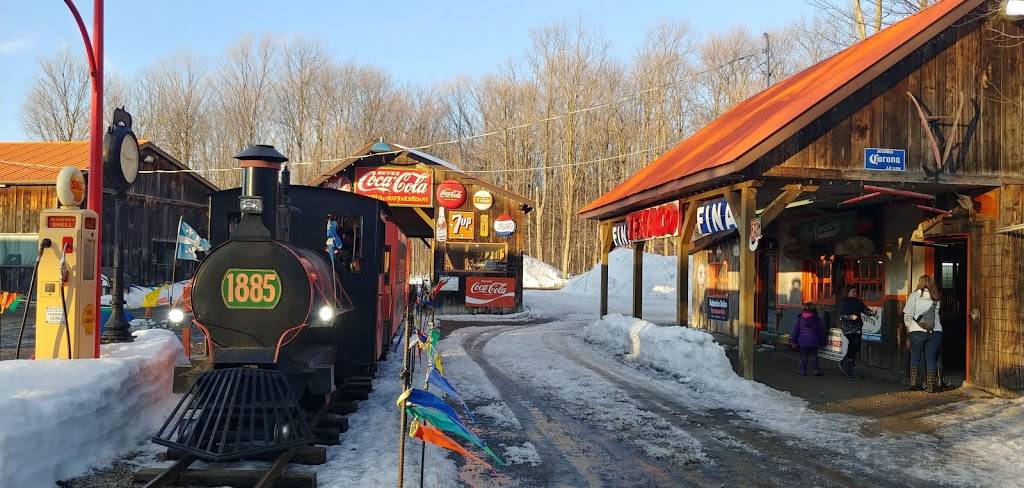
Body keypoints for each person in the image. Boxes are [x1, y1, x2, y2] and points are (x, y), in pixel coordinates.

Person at [903, 275, 943, 392]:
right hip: (935, 332)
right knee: (930, 359)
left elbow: (908, 314)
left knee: (915, 357)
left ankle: (914, 383)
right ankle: (930, 386)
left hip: (917, 332)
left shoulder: (914, 295)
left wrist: (909, 326)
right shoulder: (936, 297)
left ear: (920, 283)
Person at [837, 285, 877, 378]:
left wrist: (873, 312)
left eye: (855, 291)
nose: (855, 293)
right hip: (848, 328)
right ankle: (846, 364)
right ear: (848, 292)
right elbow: (839, 316)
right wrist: (849, 317)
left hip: (857, 327)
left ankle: (847, 366)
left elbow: (866, 311)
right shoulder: (843, 302)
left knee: (856, 346)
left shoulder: (858, 302)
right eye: (852, 291)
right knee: (853, 344)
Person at [790, 303, 825, 376]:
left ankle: (802, 370)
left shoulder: (800, 319)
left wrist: (793, 341)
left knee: (804, 356)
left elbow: (796, 330)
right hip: (814, 341)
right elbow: (821, 332)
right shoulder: (817, 320)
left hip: (803, 341)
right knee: (815, 356)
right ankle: (816, 370)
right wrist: (822, 342)